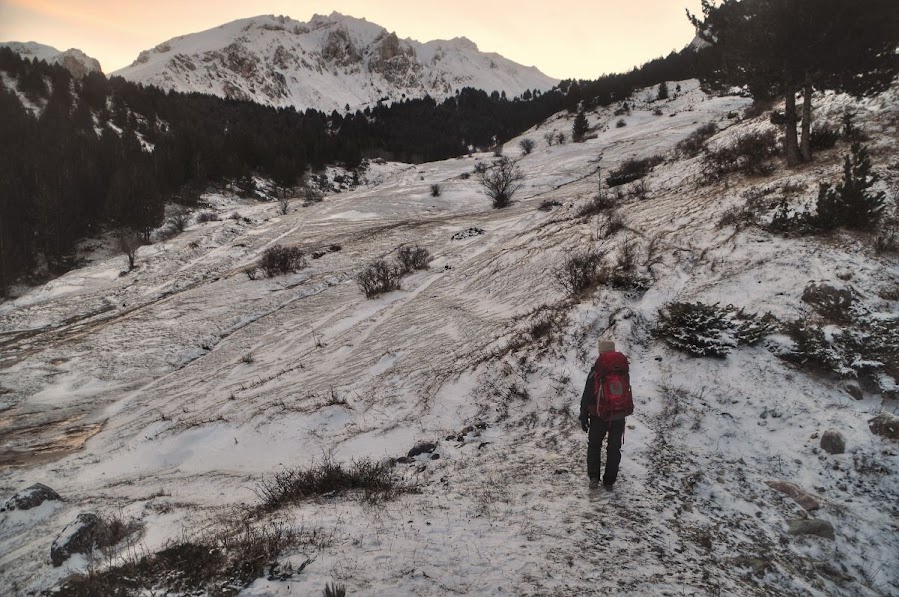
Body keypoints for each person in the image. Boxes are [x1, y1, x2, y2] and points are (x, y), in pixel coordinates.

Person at [579, 339, 627, 489]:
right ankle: (609, 481)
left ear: (600, 352)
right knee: (614, 448)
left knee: (594, 446)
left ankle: (594, 478)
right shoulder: (622, 369)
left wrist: (583, 414)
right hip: (618, 415)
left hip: (599, 415)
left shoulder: (597, 370)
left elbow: (587, 394)